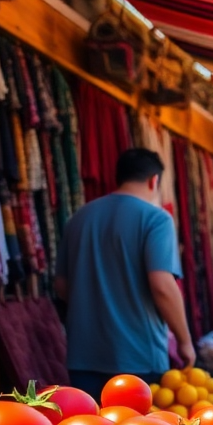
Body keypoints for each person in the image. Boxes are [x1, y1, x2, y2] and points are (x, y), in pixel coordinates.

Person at [56, 148, 194, 398]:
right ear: (154, 181)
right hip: (138, 358)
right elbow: (163, 286)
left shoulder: (79, 218)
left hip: (83, 356)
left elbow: (62, 287)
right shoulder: (156, 219)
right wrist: (185, 341)